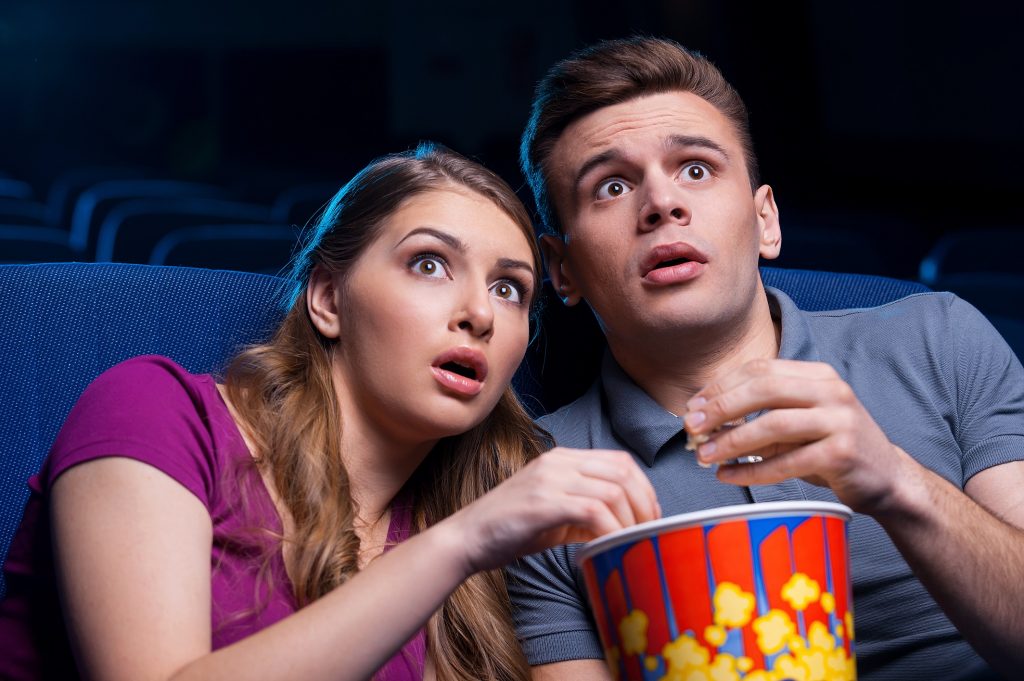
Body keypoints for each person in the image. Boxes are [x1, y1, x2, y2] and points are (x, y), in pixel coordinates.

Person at [0, 143, 660, 681]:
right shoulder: (153, 409)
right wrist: (460, 543)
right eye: (429, 264)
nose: (480, 313)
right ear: (327, 299)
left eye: (509, 288)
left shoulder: (465, 527)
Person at [508, 37, 1024, 680]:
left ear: (766, 221)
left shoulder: (937, 338)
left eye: (696, 168)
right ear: (562, 270)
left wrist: (897, 482)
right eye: (612, 186)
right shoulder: (535, 477)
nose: (662, 205)